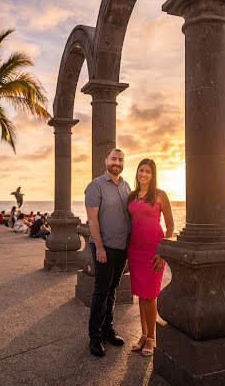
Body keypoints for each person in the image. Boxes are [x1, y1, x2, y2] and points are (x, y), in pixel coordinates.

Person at [85, 148, 131, 358]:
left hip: (122, 247)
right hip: (104, 246)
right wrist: (100, 247)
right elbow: (92, 219)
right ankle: (94, 337)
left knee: (112, 289)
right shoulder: (96, 185)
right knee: (101, 291)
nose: (117, 162)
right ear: (106, 161)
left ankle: (107, 328)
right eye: (114, 158)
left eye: (120, 159)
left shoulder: (126, 185)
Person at [127, 158, 174, 357]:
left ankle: (152, 337)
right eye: (141, 170)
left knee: (150, 294)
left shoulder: (160, 195)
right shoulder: (131, 196)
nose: (143, 174)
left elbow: (170, 226)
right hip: (134, 249)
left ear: (153, 174)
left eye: (147, 171)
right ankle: (144, 334)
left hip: (154, 250)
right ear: (137, 172)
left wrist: (162, 252)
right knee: (140, 294)